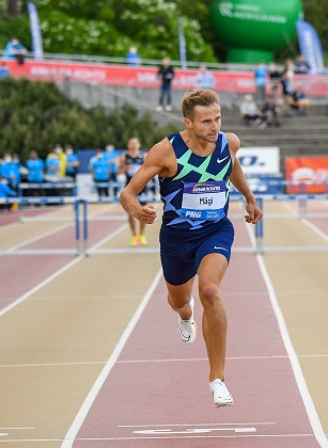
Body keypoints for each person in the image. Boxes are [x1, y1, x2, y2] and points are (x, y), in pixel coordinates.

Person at [119, 88, 262, 408]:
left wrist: (249, 198)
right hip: (176, 238)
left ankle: (217, 379)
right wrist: (137, 210)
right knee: (179, 300)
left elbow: (232, 166)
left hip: (215, 230)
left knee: (210, 291)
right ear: (188, 122)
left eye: (218, 119)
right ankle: (185, 315)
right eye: (206, 121)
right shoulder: (165, 151)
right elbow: (127, 193)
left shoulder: (229, 142)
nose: (215, 127)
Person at [118, 137, 148, 246]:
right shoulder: (124, 157)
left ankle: (141, 234)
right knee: (131, 213)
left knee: (144, 211)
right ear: (128, 145)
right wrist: (124, 169)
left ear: (139, 145)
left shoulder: (144, 156)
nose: (134, 145)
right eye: (132, 143)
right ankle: (134, 236)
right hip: (129, 187)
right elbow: (117, 171)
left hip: (142, 187)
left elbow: (150, 170)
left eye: (136, 143)